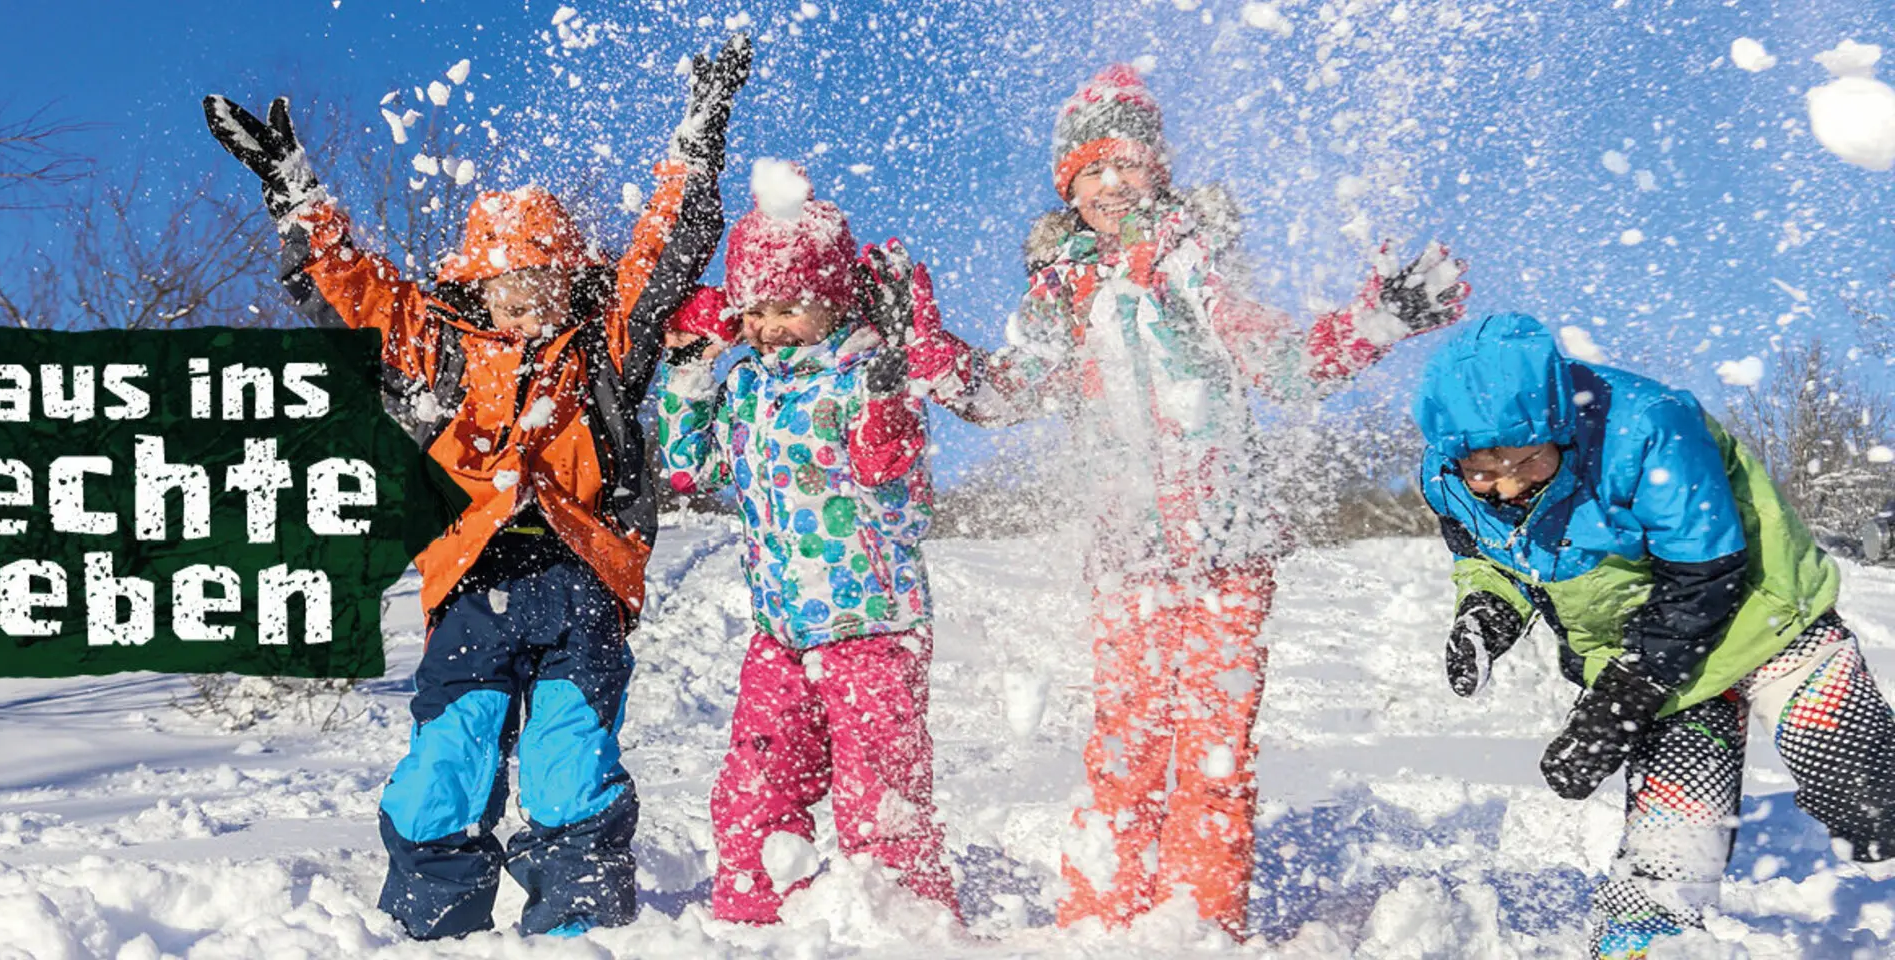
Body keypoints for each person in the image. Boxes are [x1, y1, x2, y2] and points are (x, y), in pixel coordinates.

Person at [201, 35, 750, 939]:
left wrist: (699, 134)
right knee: (443, 771)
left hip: (581, 581)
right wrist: (296, 193)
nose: (525, 308)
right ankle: (431, 930)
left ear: (571, 284)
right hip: (471, 587)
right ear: (476, 293)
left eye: (542, 289)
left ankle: (580, 931)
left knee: (569, 765)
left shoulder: (603, 348)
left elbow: (666, 247)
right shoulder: (440, 351)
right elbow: (354, 294)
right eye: (506, 292)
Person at [916, 64, 1469, 935]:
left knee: (1215, 753)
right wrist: (925, 350)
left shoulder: (1199, 262)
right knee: (1125, 748)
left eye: (1127, 163)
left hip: (1227, 549)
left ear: (1159, 170)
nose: (1111, 183)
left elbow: (1287, 368)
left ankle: (1202, 924)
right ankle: (1103, 922)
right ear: (1068, 187)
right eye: (1091, 170)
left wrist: (1380, 318)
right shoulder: (1061, 292)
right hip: (1127, 556)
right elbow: (1001, 394)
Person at [1414, 312, 1895, 959]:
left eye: (1527, 462)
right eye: (1483, 472)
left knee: (1865, 789)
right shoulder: (1447, 480)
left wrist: (1618, 704)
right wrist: (1486, 614)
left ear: (1559, 425)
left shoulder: (1646, 427)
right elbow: (1495, 558)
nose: (1507, 486)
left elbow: (1704, 577)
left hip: (1767, 619)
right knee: (1665, 866)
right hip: (1655, 665)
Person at [653, 161, 966, 925]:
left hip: (871, 629)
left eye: (789, 307)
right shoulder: (747, 386)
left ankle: (903, 920)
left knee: (879, 790)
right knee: (756, 783)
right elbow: (690, 469)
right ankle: (754, 915)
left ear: (830, 299)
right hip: (781, 634)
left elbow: (898, 484)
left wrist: (889, 396)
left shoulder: (864, 371)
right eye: (754, 310)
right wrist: (691, 368)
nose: (769, 327)